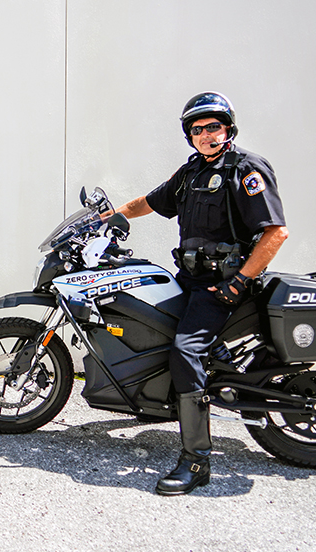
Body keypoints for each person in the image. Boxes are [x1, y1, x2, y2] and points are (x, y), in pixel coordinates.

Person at [113, 92, 288, 495]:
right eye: (197, 130)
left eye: (213, 127)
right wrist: (106, 218)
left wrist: (238, 282)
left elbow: (276, 232)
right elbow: (149, 203)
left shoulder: (245, 168)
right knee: (153, 322)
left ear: (228, 129)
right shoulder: (192, 172)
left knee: (185, 351)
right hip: (191, 280)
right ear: (189, 136)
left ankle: (196, 461)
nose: (206, 135)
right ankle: (162, 400)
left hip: (222, 287)